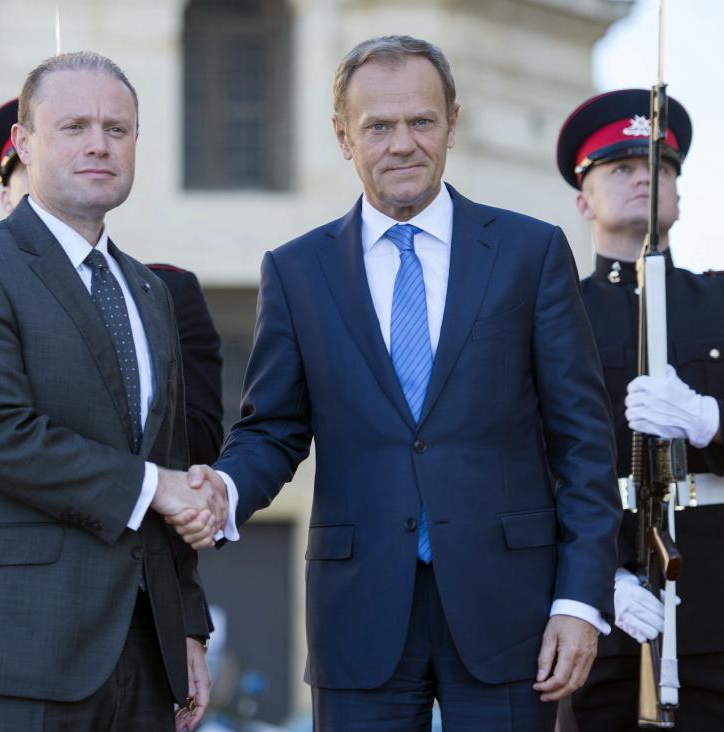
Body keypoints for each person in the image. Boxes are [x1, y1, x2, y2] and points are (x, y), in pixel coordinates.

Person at [192, 36, 623, 730]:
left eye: (421, 121)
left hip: (511, 614)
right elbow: (272, 429)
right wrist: (227, 489)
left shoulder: (529, 253)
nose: (402, 144)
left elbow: (584, 446)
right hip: (359, 615)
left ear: (453, 122)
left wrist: (579, 601)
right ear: (343, 137)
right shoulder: (298, 272)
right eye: (378, 126)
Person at [0, 51, 227, 731]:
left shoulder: (150, 292)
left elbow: (169, 462)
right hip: (11, 651)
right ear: (24, 143)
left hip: (144, 654)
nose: (98, 145)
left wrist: (190, 630)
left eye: (117, 129)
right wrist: (155, 486)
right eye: (74, 125)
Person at [556, 89, 724, 730]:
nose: (646, 176)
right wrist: (599, 580)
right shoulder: (555, 315)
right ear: (583, 199)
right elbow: (528, 458)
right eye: (622, 167)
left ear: (678, 193)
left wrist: (709, 418)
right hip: (598, 602)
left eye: (661, 168)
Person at [0, 98, 225, 485]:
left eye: (113, 130)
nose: (95, 147)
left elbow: (193, 441)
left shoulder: (161, 290)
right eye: (32, 181)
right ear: (7, 200)